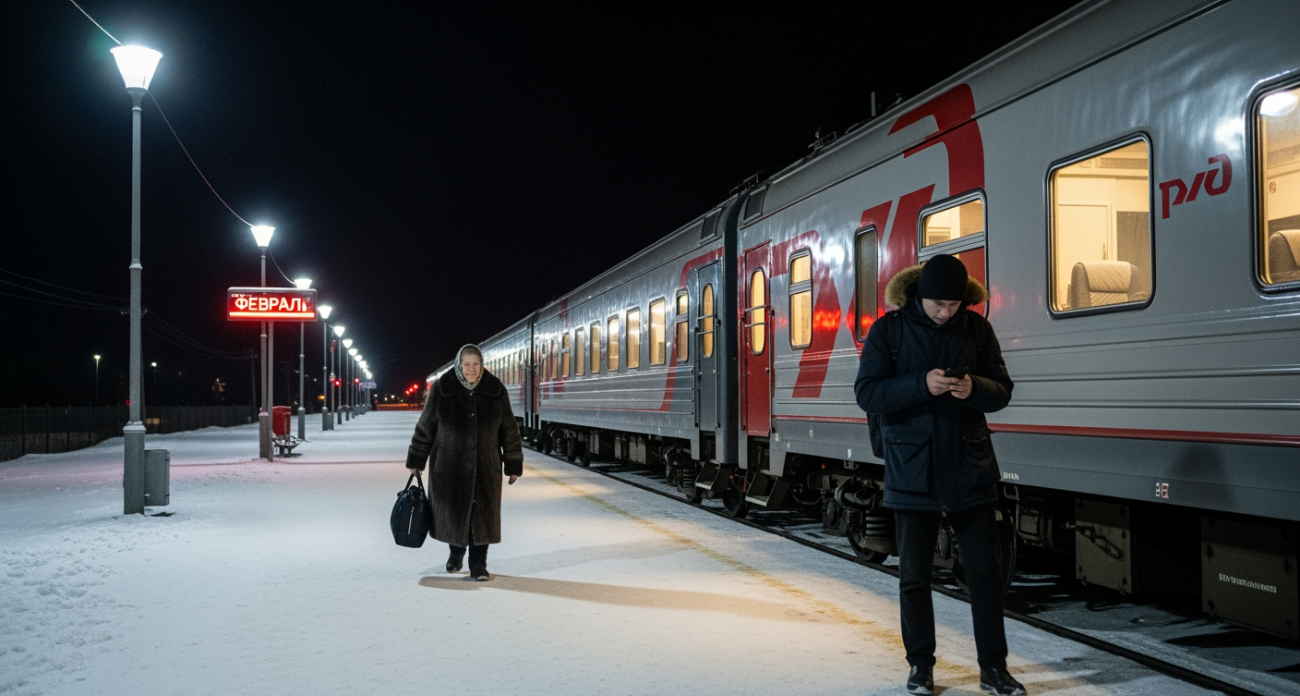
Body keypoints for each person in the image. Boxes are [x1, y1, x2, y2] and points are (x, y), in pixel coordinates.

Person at [853, 254, 1024, 696]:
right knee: (914, 576)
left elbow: (1002, 390)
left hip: (970, 468)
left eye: (953, 304)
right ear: (920, 296)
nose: (945, 313)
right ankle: (920, 667)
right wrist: (919, 385)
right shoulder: (888, 331)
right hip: (913, 471)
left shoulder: (977, 329)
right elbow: (867, 394)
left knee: (985, 576)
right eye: (937, 304)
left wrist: (975, 389)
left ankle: (994, 669)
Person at [406, 344, 523, 581]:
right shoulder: (442, 389)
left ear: (481, 365)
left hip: (486, 465)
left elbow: (509, 430)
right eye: (466, 364)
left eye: (476, 364)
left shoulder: (495, 390)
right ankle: (456, 552)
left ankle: (478, 564)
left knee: (482, 516)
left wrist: (512, 463)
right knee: (454, 513)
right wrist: (416, 460)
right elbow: (425, 427)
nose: (471, 369)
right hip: (449, 466)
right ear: (459, 365)